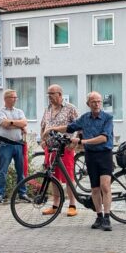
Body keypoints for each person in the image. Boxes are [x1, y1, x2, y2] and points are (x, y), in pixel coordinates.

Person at [49, 92, 115, 231]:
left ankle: (107, 217)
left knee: (105, 186)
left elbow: (104, 138)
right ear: (88, 104)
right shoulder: (84, 118)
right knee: (95, 188)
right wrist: (52, 129)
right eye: (93, 102)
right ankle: (99, 216)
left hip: (104, 154)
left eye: (98, 101)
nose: (96, 104)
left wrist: (82, 141)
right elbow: (69, 127)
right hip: (91, 155)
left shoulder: (107, 118)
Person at [39, 85, 79, 216]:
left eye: (52, 93)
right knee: (52, 177)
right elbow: (43, 126)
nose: (49, 96)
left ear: (60, 94)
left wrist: (74, 141)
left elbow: (78, 126)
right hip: (50, 149)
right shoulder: (47, 110)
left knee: (68, 177)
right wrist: (42, 141)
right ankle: (55, 205)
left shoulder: (70, 108)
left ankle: (72, 205)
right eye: (48, 94)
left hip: (64, 148)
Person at [0, 89, 28, 204]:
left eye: (16, 97)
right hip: (5, 144)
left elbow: (24, 123)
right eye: (13, 97)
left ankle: (22, 193)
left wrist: (11, 123)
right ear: (6, 99)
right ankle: (0, 194)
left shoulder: (19, 111)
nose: (15, 99)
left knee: (21, 170)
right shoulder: (0, 111)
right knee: (2, 170)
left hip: (18, 144)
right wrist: (17, 124)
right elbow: (4, 124)